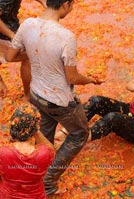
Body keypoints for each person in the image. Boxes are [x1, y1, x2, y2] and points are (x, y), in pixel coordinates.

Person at [5, 0, 102, 195]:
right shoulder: (66, 37)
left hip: (36, 94)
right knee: (79, 134)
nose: (72, 9)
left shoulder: (27, 25)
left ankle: (36, 175)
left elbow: (9, 57)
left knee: (45, 135)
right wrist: (90, 80)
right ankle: (48, 180)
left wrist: (34, 56)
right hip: (59, 100)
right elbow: (72, 77)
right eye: (72, 5)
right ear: (65, 4)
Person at [84, 62, 134, 143]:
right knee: (97, 100)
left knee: (112, 118)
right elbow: (130, 85)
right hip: (133, 109)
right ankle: (76, 125)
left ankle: (82, 138)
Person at [0, 104, 55, 199]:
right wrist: (36, 131)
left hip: (7, 195)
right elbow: (51, 149)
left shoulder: (3, 152)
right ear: (35, 130)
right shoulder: (44, 153)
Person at [0, 0, 46, 98]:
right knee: (29, 55)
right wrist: (12, 35)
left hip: (11, 27)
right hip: (5, 33)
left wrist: (43, 2)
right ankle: (28, 95)